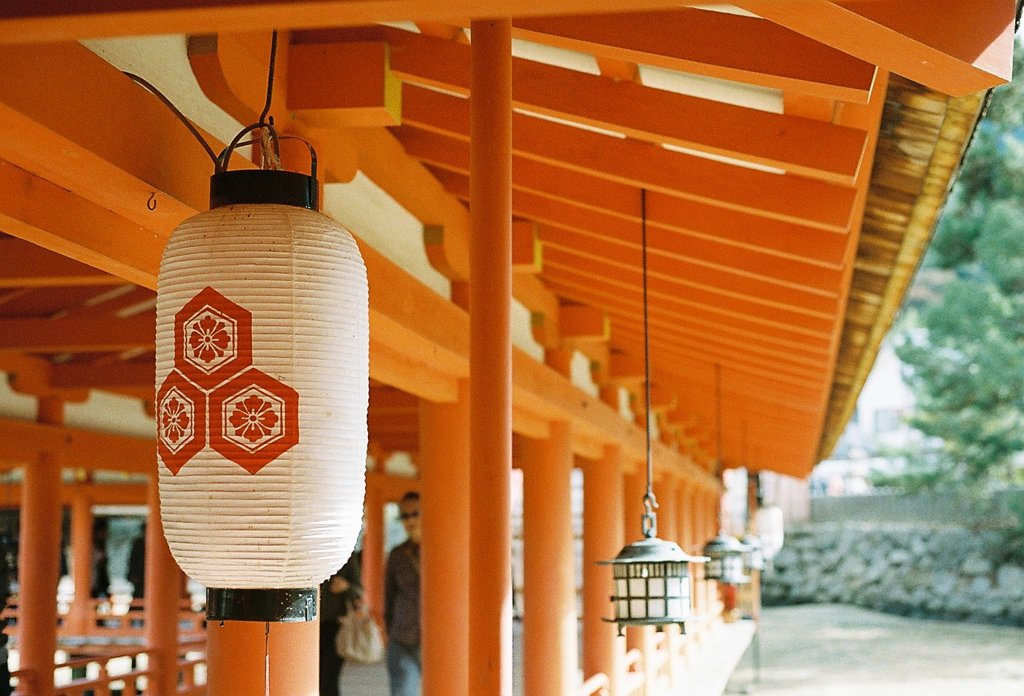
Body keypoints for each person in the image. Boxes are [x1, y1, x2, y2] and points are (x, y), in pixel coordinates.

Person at [384, 491, 421, 696]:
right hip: (403, 637)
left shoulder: (443, 549)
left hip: (439, 639)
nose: (410, 520)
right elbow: (389, 597)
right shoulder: (397, 555)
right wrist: (391, 631)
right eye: (405, 516)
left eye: (415, 513)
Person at [320, 550, 362, 696]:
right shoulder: (309, 553)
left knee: (328, 678)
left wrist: (346, 587)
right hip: (306, 626)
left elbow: (358, 592)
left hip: (335, 625)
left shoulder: (345, 555)